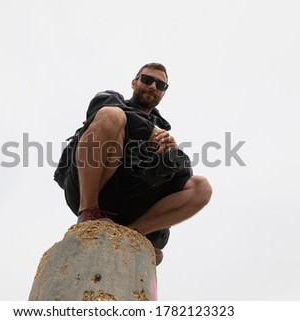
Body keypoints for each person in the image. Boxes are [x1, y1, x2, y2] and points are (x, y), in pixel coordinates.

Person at [54, 63, 212, 265]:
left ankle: (133, 234)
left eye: (161, 85)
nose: (153, 86)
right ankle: (89, 212)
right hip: (94, 185)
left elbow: (179, 178)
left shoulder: (163, 134)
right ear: (134, 82)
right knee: (112, 116)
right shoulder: (110, 99)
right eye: (147, 80)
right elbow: (107, 113)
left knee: (201, 187)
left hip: (131, 199)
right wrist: (150, 133)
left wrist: (172, 154)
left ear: (163, 93)